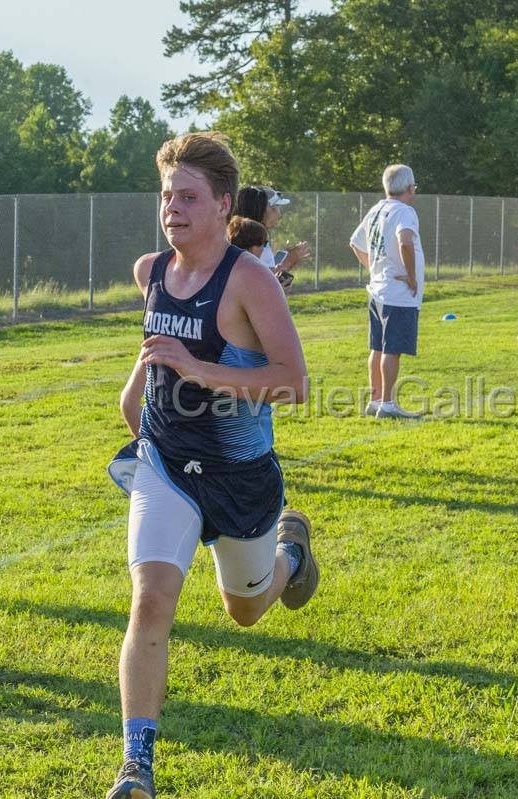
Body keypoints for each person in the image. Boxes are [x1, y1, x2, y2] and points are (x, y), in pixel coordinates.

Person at [105, 134, 318, 799]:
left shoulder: (250, 279)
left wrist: (200, 368)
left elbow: (294, 382)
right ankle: (135, 767)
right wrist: (136, 396)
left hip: (242, 478)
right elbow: (154, 354)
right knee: (150, 599)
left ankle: (290, 554)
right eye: (167, 194)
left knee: (247, 608)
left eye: (188, 196)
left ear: (223, 205)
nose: (173, 206)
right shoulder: (152, 271)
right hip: (166, 466)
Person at [350, 164, 425, 420]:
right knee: (392, 349)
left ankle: (376, 400)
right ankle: (389, 404)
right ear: (409, 187)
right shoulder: (405, 211)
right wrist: (412, 276)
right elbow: (405, 241)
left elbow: (355, 243)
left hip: (379, 289)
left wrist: (374, 267)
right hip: (397, 292)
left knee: (377, 348)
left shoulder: (376, 209)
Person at [234, 185, 311, 286]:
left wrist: (287, 264)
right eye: (275, 208)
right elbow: (262, 288)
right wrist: (287, 263)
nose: (279, 215)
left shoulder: (252, 240)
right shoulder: (251, 244)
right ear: (260, 211)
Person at [228, 216, 294, 292]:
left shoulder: (233, 268)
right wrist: (275, 289)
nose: (264, 249)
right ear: (252, 246)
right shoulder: (245, 273)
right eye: (264, 243)